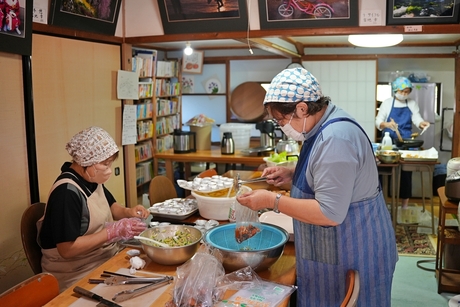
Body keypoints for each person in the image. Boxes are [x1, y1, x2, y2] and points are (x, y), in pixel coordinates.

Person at [237, 68, 397, 306]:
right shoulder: (322, 124)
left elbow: (329, 212)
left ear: (302, 108)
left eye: (281, 120)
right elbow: (330, 176)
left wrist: (272, 201)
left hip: (355, 247)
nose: (281, 126)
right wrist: (291, 173)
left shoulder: (335, 138)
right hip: (334, 245)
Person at [37, 126, 150, 292]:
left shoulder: (90, 178)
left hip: (103, 256)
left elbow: (112, 206)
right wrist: (112, 232)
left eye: (110, 164)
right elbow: (67, 249)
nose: (109, 170)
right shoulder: (66, 193)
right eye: (105, 164)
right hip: (76, 272)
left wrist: (129, 212)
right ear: (86, 162)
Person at [375, 76, 430, 209]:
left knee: (406, 173)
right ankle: (381, 203)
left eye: (407, 92)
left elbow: (417, 119)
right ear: (395, 90)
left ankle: (404, 205)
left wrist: (422, 123)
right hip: (389, 143)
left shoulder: (411, 103)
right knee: (383, 172)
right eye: (402, 91)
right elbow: (378, 122)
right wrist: (387, 124)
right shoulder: (387, 103)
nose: (404, 94)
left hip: (406, 142)